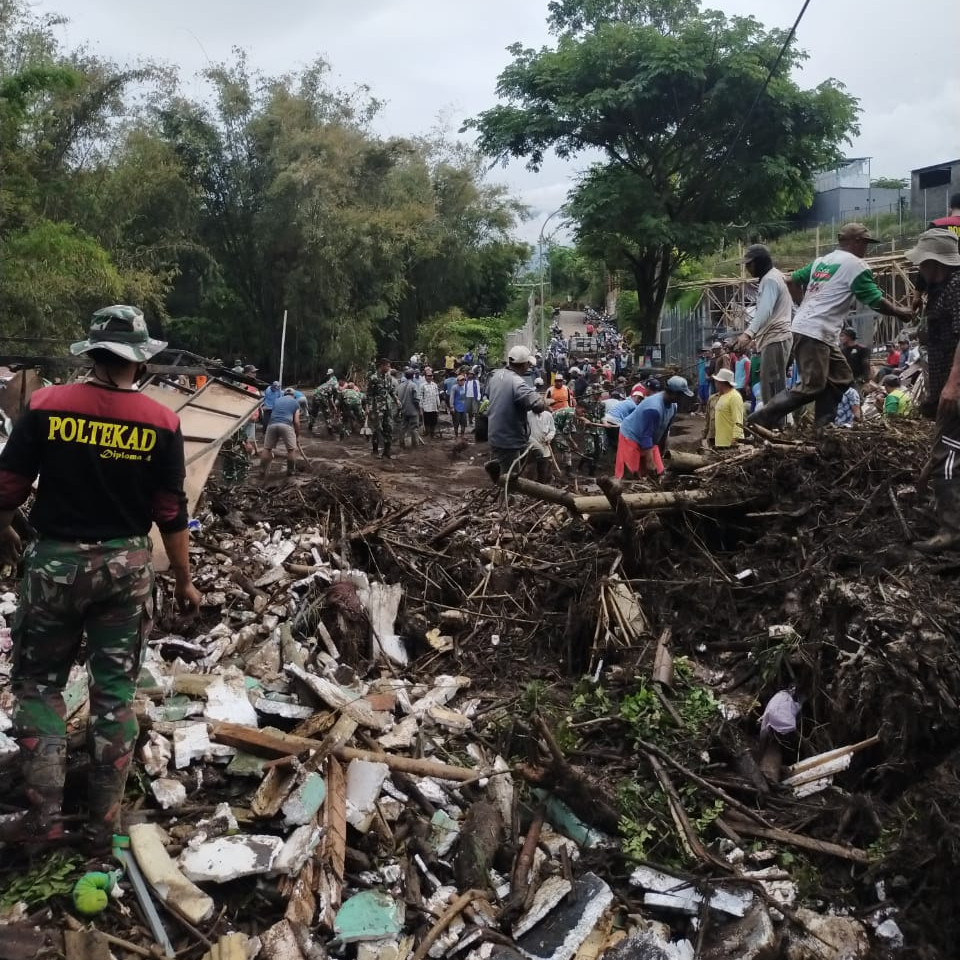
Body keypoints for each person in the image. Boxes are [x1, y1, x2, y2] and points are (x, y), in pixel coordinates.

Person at [0, 305, 201, 846]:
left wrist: (4, 533)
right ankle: (102, 825)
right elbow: (170, 511)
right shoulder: (162, 422)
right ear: (140, 360)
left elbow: (8, 487)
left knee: (39, 686)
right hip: (126, 571)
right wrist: (183, 580)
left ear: (90, 353)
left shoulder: (46, 406)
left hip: (55, 568)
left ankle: (43, 821)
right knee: (115, 695)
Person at [749, 223, 914, 428]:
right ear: (855, 241)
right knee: (813, 386)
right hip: (815, 333)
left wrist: (804, 305)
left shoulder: (822, 261)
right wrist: (901, 312)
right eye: (865, 243)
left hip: (814, 331)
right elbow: (875, 300)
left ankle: (823, 427)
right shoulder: (856, 265)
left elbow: (791, 280)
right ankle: (764, 416)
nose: (866, 249)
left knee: (842, 378)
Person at [906, 230, 960, 419]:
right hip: (943, 388)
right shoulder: (939, 288)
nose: (919, 267)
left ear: (934, 263)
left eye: (922, 262)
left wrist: (953, 384)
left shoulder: (956, 286)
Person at [735, 244, 792, 415]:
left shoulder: (770, 280)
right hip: (774, 337)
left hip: (776, 338)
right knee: (772, 387)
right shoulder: (774, 278)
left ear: (760, 262)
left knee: (772, 388)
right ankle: (778, 425)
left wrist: (748, 334)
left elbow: (765, 310)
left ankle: (777, 427)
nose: (747, 268)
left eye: (749, 264)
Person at [485, 345, 549, 475]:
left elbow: (490, 394)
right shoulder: (517, 383)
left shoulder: (496, 376)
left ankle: (525, 478)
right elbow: (538, 406)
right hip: (509, 439)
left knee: (538, 452)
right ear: (524, 364)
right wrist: (544, 401)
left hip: (496, 433)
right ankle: (509, 488)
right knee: (510, 478)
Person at [615, 376, 693, 479]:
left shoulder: (673, 407)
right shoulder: (653, 408)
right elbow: (646, 437)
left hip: (649, 439)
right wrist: (650, 462)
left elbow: (664, 432)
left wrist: (660, 453)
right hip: (631, 436)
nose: (683, 398)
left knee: (659, 472)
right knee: (631, 474)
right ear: (674, 393)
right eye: (681, 395)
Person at [261, 387, 301, 477]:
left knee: (267, 448)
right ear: (293, 395)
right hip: (286, 424)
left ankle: (262, 470)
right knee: (291, 450)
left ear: (284, 394)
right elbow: (296, 421)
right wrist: (297, 435)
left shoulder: (277, 401)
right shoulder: (295, 402)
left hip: (271, 424)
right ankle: (291, 471)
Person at [366, 358, 398, 459]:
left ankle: (387, 452)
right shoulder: (373, 378)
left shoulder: (388, 377)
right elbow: (369, 394)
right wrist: (368, 407)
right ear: (382, 366)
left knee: (389, 427)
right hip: (377, 407)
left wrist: (397, 400)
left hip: (388, 407)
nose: (389, 368)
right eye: (387, 366)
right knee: (377, 429)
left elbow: (391, 391)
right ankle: (375, 450)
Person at [527, 379, 557, 483]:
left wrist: (549, 437)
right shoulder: (528, 415)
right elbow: (524, 431)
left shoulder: (548, 415)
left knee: (543, 469)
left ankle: (543, 485)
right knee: (531, 469)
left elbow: (553, 430)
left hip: (545, 446)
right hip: (531, 447)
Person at [712, 368, 744, 448]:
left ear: (722, 383)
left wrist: (735, 439)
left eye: (717, 381)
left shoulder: (734, 397)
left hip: (730, 443)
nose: (715, 383)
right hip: (720, 442)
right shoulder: (722, 396)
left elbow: (738, 420)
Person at [396, 369, 422, 448]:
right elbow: (416, 400)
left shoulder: (400, 386)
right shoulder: (413, 385)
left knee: (403, 428)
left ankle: (401, 444)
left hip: (403, 410)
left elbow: (396, 397)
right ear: (413, 376)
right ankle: (415, 445)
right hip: (413, 411)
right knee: (414, 428)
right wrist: (419, 410)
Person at [419, 370, 441, 439]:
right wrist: (420, 407)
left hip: (434, 406)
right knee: (427, 421)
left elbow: (437, 395)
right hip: (426, 407)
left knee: (434, 421)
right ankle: (427, 433)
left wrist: (438, 404)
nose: (430, 377)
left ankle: (432, 434)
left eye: (431, 376)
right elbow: (420, 396)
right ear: (425, 377)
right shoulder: (422, 385)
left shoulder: (434, 385)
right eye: (428, 376)